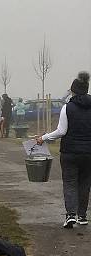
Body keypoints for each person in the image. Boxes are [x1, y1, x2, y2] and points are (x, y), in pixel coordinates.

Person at [36, 72, 91, 229]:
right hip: (89, 153)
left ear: (73, 91)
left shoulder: (68, 107)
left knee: (70, 183)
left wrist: (44, 137)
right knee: (85, 184)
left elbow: (61, 131)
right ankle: (82, 216)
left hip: (70, 153)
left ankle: (71, 216)